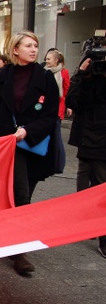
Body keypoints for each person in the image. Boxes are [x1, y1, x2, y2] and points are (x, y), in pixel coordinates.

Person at [0, 31, 59, 276]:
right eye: (28, 45)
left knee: (23, 194)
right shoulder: (1, 76)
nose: (34, 49)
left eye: (36, 45)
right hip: (8, 146)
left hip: (35, 144)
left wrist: (28, 130)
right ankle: (19, 251)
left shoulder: (45, 78)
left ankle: (10, 236)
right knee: (21, 195)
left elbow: (50, 116)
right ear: (15, 49)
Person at [65, 53, 106, 257]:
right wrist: (81, 74)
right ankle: (88, 219)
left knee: (100, 183)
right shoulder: (87, 76)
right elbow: (72, 101)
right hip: (88, 135)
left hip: (101, 139)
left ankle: (96, 227)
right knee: (86, 172)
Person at [43, 49, 71, 120]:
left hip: (59, 104)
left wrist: (68, 105)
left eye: (48, 59)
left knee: (56, 127)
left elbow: (66, 89)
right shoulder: (43, 71)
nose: (46, 61)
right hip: (45, 103)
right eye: (46, 59)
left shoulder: (64, 72)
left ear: (56, 60)